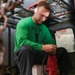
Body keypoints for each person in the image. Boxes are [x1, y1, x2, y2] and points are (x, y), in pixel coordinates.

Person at [14, 1, 73, 75]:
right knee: (26, 48)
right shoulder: (23, 23)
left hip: (37, 54)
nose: (44, 19)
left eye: (46, 17)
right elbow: (21, 42)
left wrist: (52, 49)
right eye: (42, 15)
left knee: (62, 51)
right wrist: (42, 47)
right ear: (36, 10)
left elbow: (50, 43)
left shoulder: (44, 28)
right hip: (23, 56)